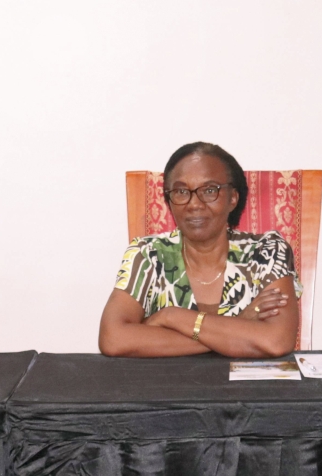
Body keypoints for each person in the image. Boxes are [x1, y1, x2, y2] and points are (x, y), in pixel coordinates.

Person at [99, 142, 301, 358]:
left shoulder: (267, 251)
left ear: (232, 198)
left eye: (209, 190)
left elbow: (276, 341)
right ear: (169, 200)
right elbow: (113, 339)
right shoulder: (148, 254)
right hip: (168, 389)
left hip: (249, 391)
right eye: (181, 191)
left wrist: (171, 317)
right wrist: (237, 325)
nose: (194, 203)